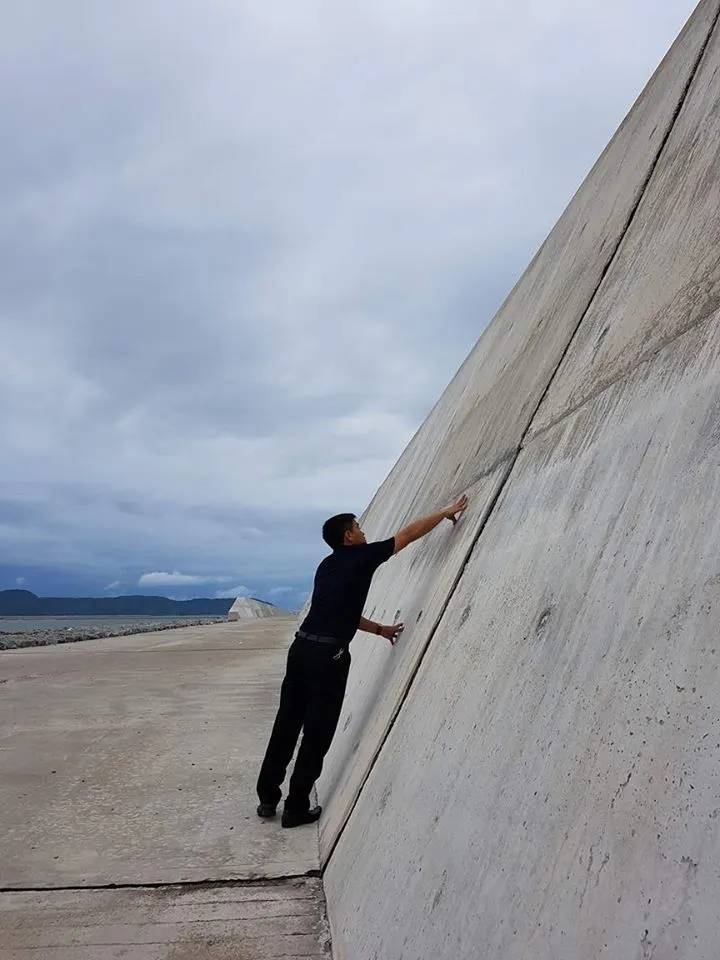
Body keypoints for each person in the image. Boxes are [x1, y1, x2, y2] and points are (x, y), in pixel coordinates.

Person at [256, 493, 469, 828]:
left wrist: (380, 629)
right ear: (349, 536)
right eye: (358, 527)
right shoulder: (362, 556)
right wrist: (443, 512)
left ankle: (267, 798)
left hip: (301, 650)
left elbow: (342, 612)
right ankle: (296, 807)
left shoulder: (326, 566)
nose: (364, 532)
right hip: (328, 657)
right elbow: (408, 535)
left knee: (287, 722)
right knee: (317, 732)